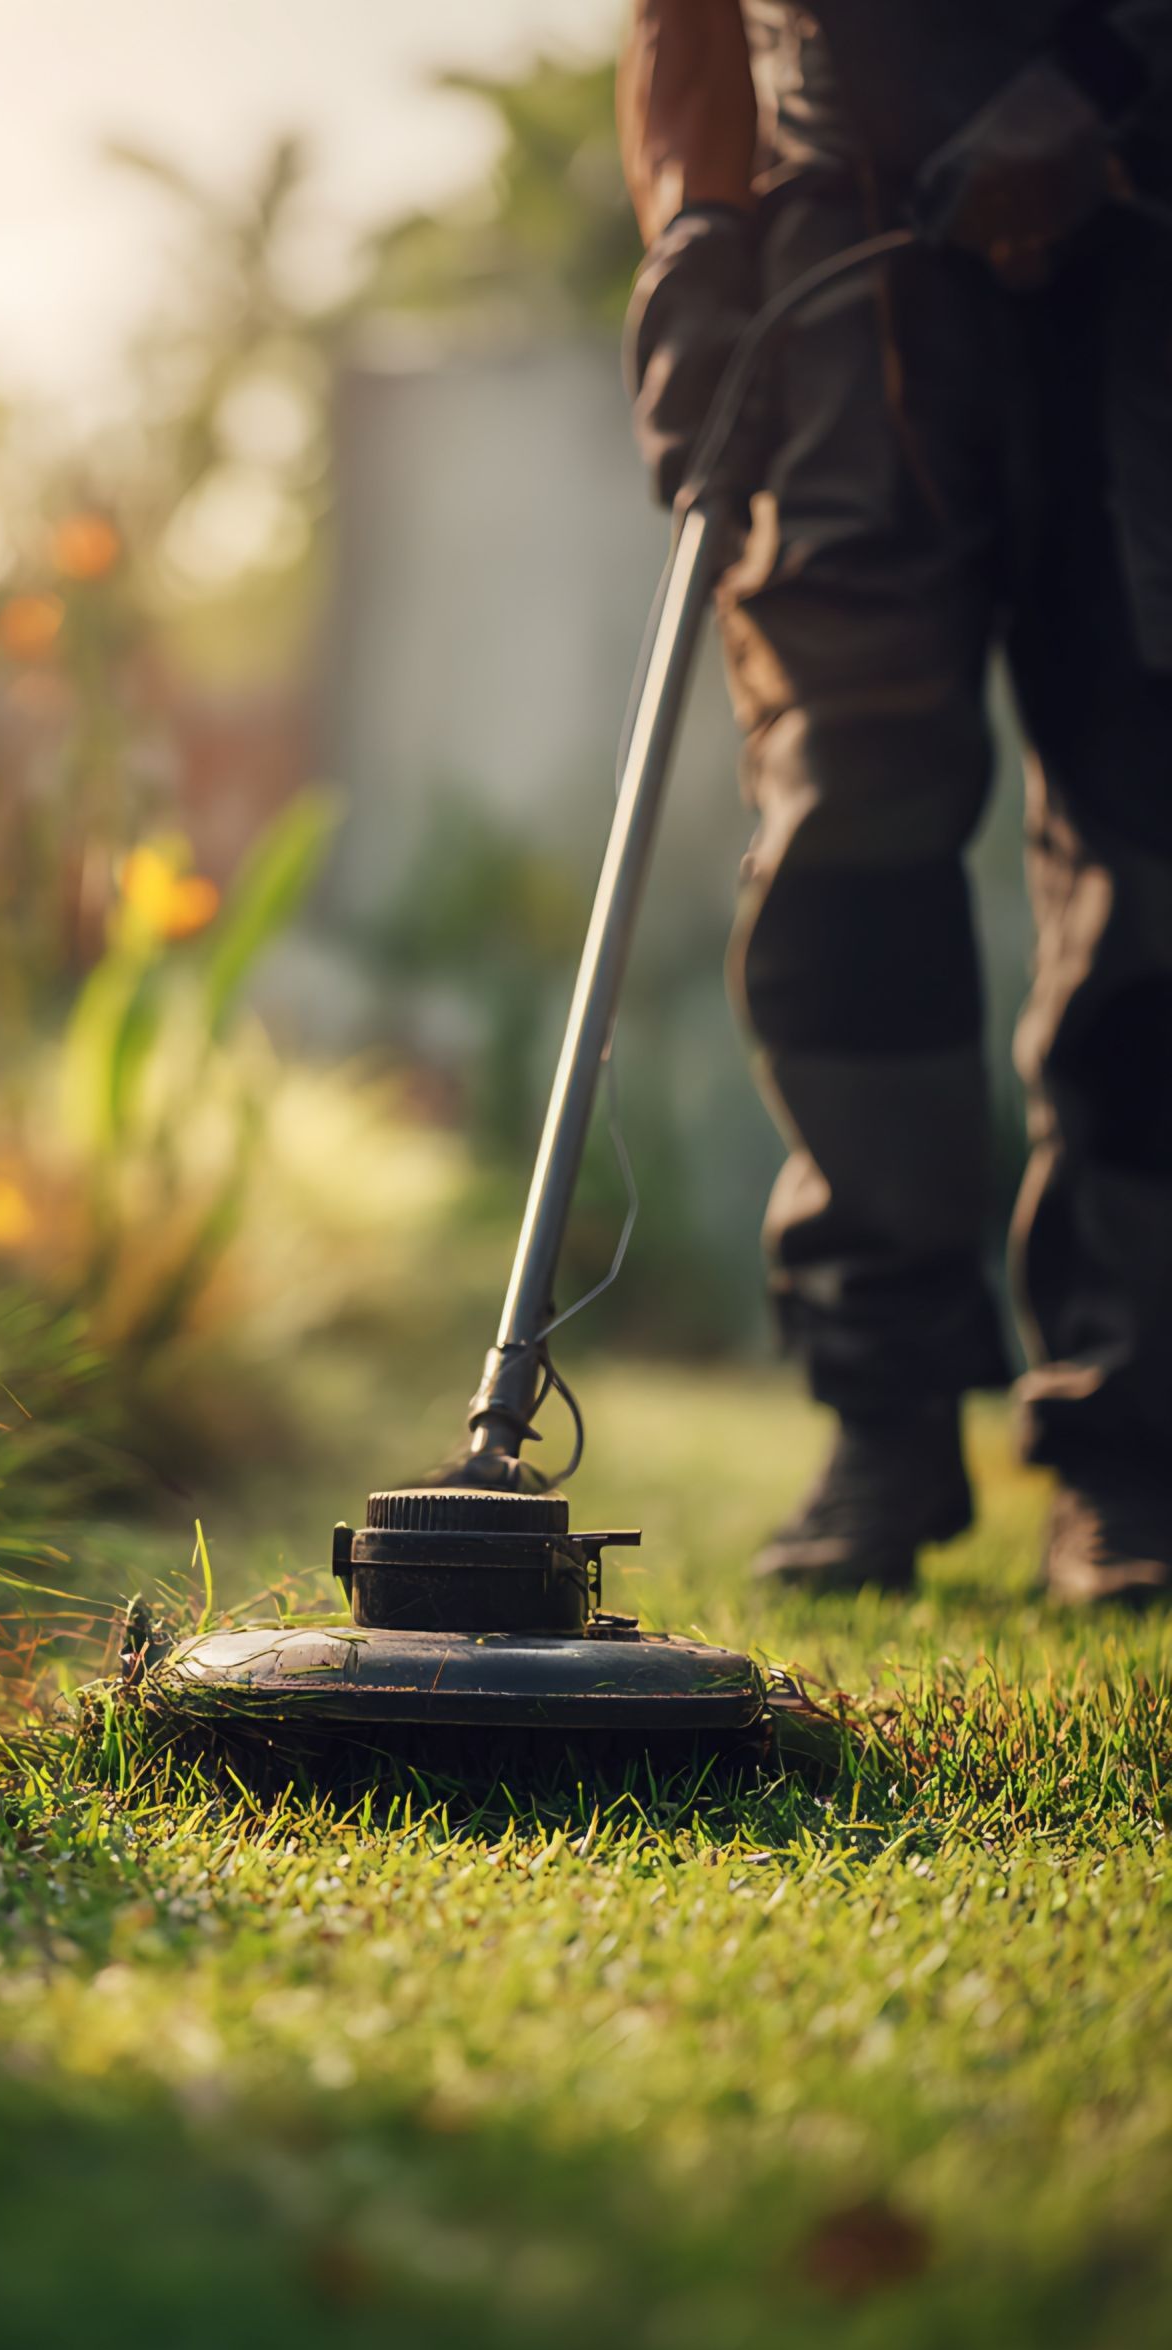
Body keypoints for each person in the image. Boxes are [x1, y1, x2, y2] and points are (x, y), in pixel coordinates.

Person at [618, 1, 1172, 1601]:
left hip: (1147, 248)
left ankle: (1136, 1441)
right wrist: (698, 238)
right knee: (847, 832)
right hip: (844, 260)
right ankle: (886, 1414)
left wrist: (1109, 79)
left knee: (1157, 863)